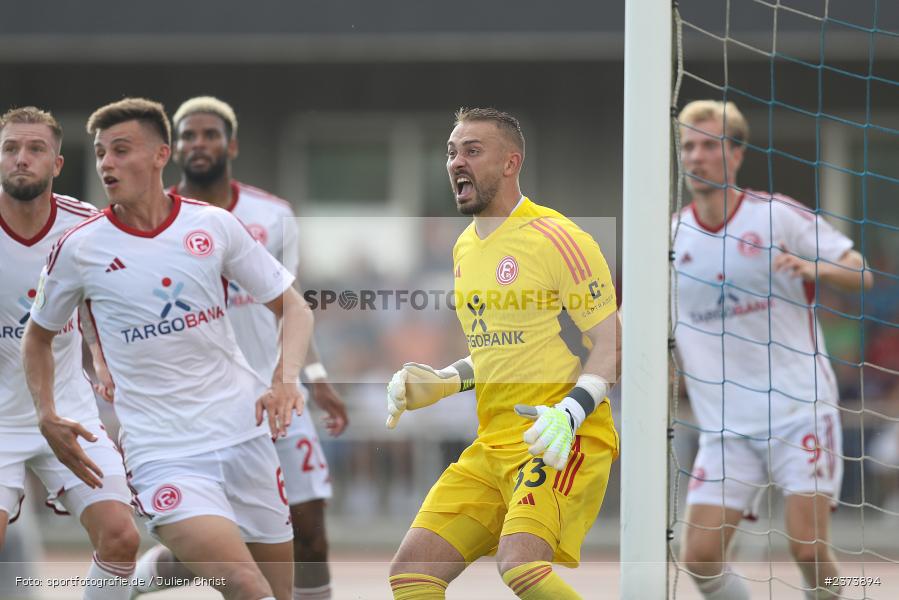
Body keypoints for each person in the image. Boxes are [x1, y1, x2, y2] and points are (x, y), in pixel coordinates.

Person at [22, 97, 314, 600]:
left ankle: (138, 582)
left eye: (121, 150)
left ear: (161, 155)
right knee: (245, 585)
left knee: (277, 591)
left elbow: (295, 308)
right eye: (100, 153)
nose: (107, 164)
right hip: (163, 452)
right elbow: (38, 337)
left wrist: (285, 379)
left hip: (244, 435)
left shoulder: (212, 225)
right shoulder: (79, 247)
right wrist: (46, 413)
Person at [385, 107, 620, 600]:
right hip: (492, 444)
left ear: (511, 163)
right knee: (411, 575)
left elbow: (611, 343)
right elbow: (500, 348)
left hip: (558, 437)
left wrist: (570, 412)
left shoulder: (559, 237)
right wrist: (444, 381)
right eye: (452, 152)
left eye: (472, 151)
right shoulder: (464, 248)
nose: (456, 162)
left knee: (520, 565)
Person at [128, 96, 347, 600]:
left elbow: (292, 304)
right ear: (172, 149)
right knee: (223, 547)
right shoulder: (153, 221)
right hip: (202, 409)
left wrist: (314, 378)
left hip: (278, 397)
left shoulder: (273, 215)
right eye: (188, 135)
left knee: (309, 533)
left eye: (210, 134)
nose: (198, 143)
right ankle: (130, 583)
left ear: (231, 146)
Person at [673, 99, 874, 600]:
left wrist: (812, 268)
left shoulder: (775, 215)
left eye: (709, 146)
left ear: (736, 153)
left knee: (806, 550)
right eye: (688, 146)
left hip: (797, 409)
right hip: (725, 426)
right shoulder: (672, 236)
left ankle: (844, 591)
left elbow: (860, 271)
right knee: (698, 557)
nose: (696, 157)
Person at [0, 106, 139, 599]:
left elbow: (114, 302)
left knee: (121, 538)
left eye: (35, 148)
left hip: (68, 411)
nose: (21, 158)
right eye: (10, 148)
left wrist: (105, 357)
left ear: (57, 163)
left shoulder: (88, 228)